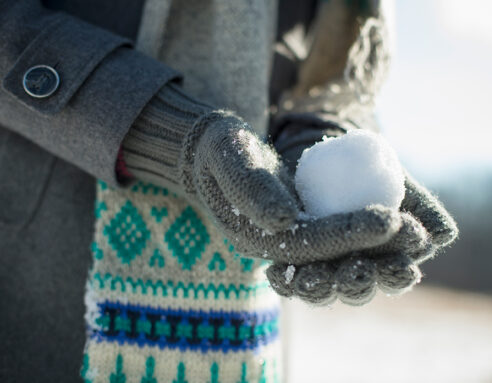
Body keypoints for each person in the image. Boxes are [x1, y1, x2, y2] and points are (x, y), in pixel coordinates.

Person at [0, 0, 457, 382]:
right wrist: (171, 136)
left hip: (245, 281)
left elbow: (339, 53)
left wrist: (319, 131)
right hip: (40, 259)